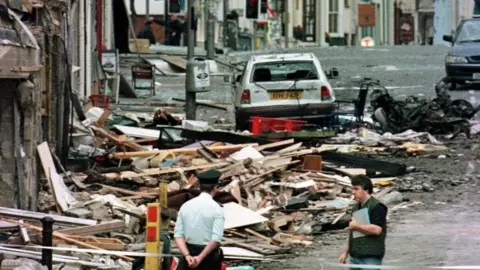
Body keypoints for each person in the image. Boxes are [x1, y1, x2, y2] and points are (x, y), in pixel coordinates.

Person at [174, 170, 225, 270]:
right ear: (215, 187)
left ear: (199, 187)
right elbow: (216, 238)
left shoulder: (186, 206)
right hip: (208, 257)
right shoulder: (216, 208)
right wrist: (199, 258)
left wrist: (187, 256)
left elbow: (178, 235)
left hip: (188, 255)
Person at [338, 175, 388, 270]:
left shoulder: (377, 207)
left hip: (370, 257)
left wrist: (356, 226)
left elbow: (377, 230)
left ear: (366, 190)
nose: (353, 192)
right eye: (352, 189)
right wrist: (345, 252)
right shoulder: (357, 207)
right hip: (355, 257)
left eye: (356, 189)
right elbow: (354, 233)